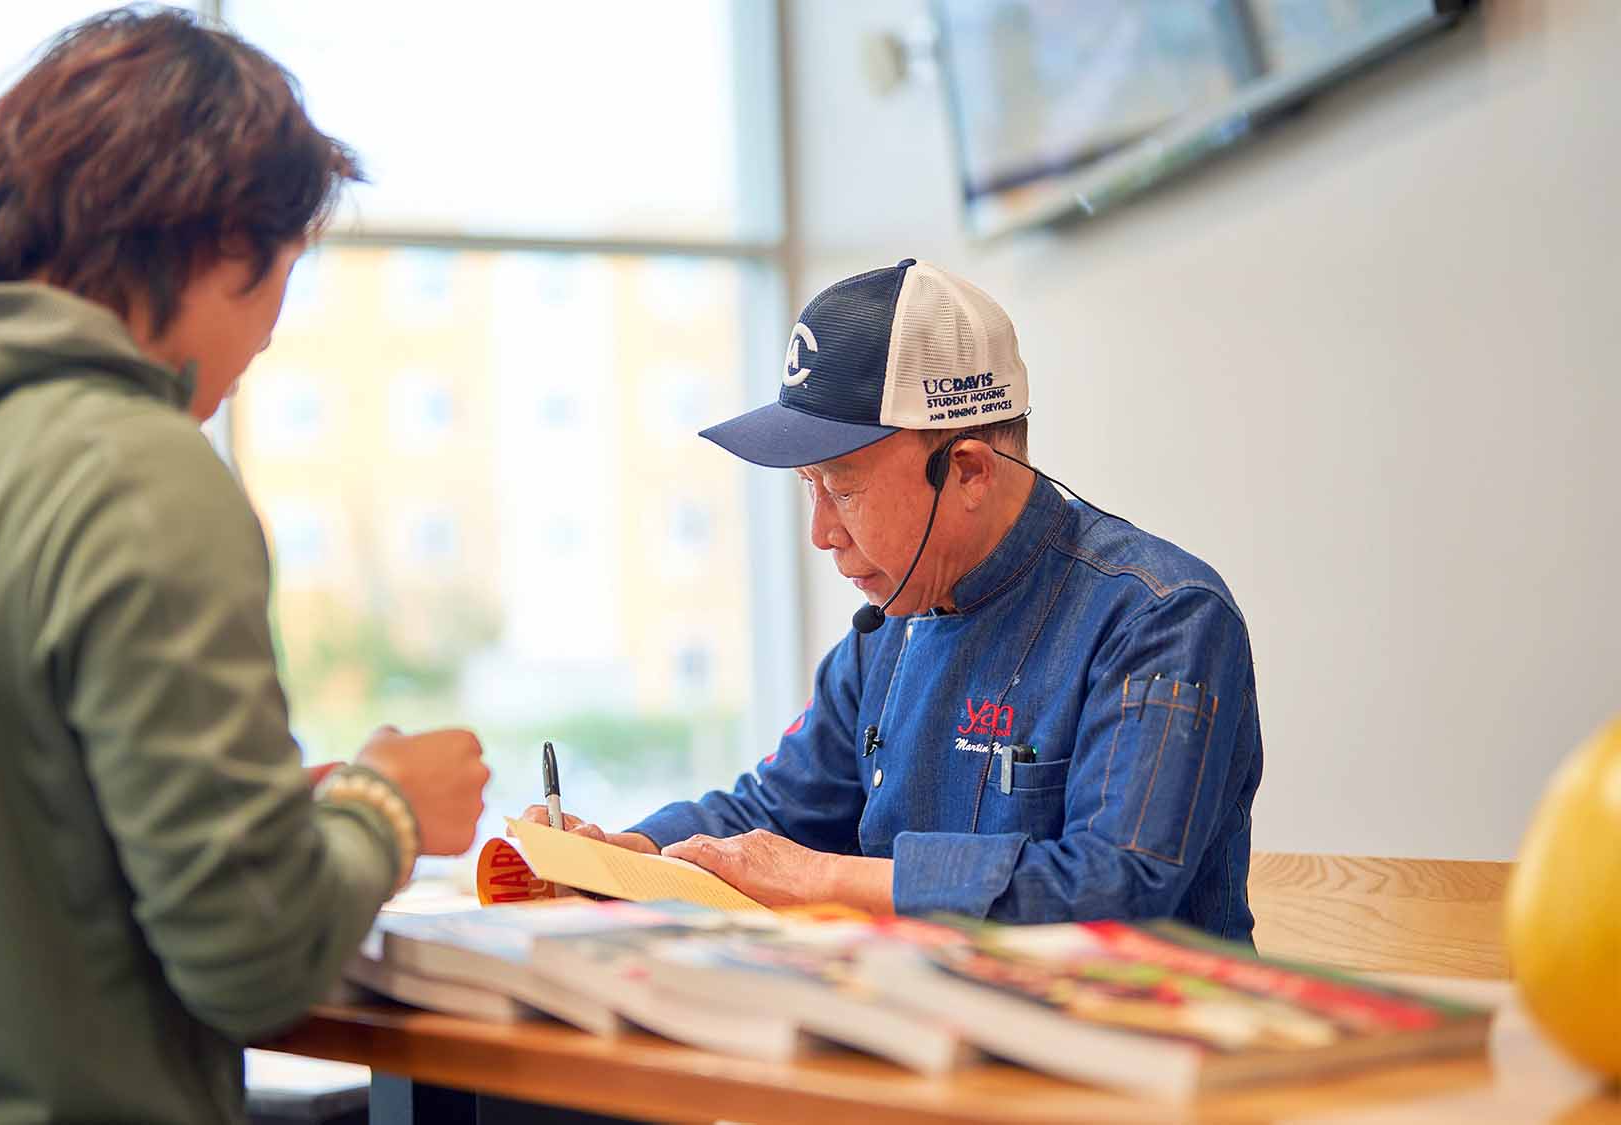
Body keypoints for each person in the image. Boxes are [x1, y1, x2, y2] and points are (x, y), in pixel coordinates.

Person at [0, 11, 487, 1123]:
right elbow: (255, 958)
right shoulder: (133, 470)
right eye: (281, 275)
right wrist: (388, 807)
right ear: (219, 242)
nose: (270, 339)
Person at [527, 259, 1263, 940]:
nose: (820, 532)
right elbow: (773, 810)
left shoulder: (1161, 618)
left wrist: (818, 876)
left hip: (1143, 1062)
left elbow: (1113, 887)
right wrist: (631, 852)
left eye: (843, 488)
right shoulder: (885, 634)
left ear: (969, 470)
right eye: (808, 487)